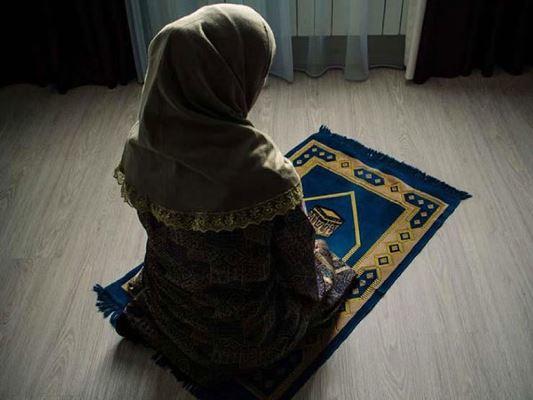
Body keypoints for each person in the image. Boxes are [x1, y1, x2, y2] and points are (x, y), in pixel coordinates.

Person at [112, 3, 357, 386]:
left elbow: (156, 233)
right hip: (251, 336)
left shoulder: (140, 146)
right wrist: (317, 285)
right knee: (327, 265)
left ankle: (157, 325)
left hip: (172, 307)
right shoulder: (266, 174)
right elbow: (297, 264)